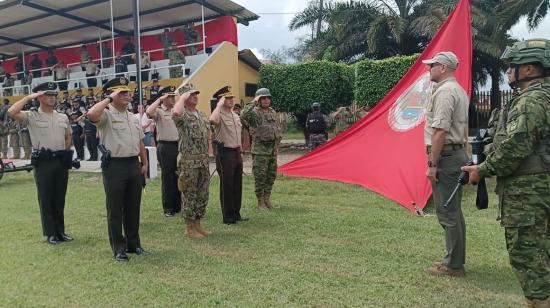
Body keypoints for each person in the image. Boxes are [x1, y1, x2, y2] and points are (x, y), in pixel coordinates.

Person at [461, 39, 550, 307]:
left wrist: (482, 170)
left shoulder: (530, 102)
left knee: (529, 256)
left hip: (528, 194)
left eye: (514, 66)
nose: (509, 71)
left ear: (531, 70)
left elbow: (515, 147)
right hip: (540, 188)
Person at [87, 76, 148, 262]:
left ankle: (133, 243)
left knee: (133, 206)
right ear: (111, 94)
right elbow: (91, 115)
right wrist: (108, 99)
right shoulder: (106, 114)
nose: (127, 94)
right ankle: (118, 248)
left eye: (127, 91)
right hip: (115, 166)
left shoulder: (132, 116)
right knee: (115, 209)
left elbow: (139, 141)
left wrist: (144, 162)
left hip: (133, 164)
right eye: (121, 92)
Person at [421, 52, 469, 277]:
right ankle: (454, 260)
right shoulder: (456, 89)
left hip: (446, 158)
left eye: (432, 66)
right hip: (454, 155)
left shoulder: (446, 92)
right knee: (454, 212)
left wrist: (432, 164)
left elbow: (440, 131)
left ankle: (453, 265)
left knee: (448, 211)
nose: (429, 69)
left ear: (443, 68)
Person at [7, 82, 73, 245]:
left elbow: (68, 136)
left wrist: (65, 152)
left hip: (60, 160)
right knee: (46, 198)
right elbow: (11, 111)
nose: (52, 98)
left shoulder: (62, 116)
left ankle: (60, 231)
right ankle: (51, 233)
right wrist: (29, 97)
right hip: (43, 162)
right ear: (39, 97)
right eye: (48, 95)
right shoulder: (32, 116)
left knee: (59, 198)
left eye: (54, 95)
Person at [172, 83, 211, 238]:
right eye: (191, 95)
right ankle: (189, 227)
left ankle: (198, 224)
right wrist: (182, 97)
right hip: (188, 161)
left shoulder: (201, 115)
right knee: (189, 194)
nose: (195, 96)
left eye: (196, 94)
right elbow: (176, 111)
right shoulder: (182, 115)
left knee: (203, 193)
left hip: (202, 160)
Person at [210, 86, 247, 224]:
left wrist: (241, 150)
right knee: (227, 185)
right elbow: (212, 120)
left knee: (237, 184)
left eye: (232, 97)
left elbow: (238, 135)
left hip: (236, 152)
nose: (231, 100)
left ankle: (236, 213)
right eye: (227, 98)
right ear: (221, 100)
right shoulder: (218, 115)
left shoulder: (235, 115)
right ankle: (228, 216)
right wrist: (218, 105)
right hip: (225, 152)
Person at [240, 88, 282, 209]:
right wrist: (254, 101)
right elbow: (244, 114)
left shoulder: (272, 112)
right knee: (260, 177)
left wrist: (277, 146)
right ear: (258, 99)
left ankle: (267, 199)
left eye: (268, 97)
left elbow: (276, 129)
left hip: (272, 151)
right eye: (263, 98)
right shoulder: (254, 113)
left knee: (271, 176)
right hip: (260, 151)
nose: (266, 100)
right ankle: (260, 202)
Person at [146, 85, 181, 217]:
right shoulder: (160, 111)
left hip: (178, 145)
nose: (173, 99)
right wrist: (160, 100)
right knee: (168, 177)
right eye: (169, 96)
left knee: (179, 176)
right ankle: (168, 208)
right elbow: (149, 112)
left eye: (173, 96)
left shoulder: (176, 111)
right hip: (165, 146)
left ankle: (178, 205)